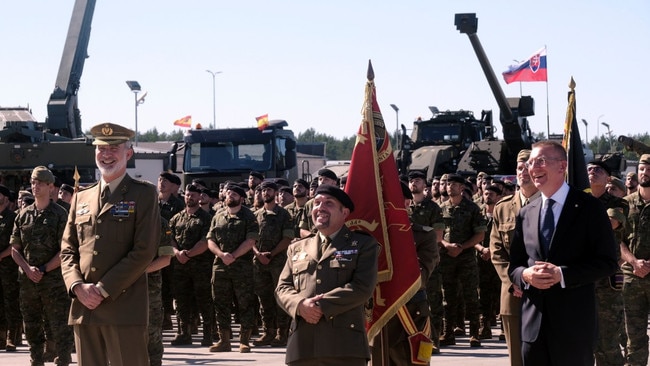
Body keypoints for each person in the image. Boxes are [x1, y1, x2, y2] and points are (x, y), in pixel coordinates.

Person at [508, 140, 618, 366]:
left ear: (562, 166)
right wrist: (526, 276)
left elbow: (608, 262)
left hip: (573, 329)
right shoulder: (526, 213)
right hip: (533, 330)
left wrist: (562, 274)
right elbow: (515, 267)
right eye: (530, 163)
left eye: (541, 161)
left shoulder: (589, 208)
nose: (533, 168)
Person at [60, 122, 161, 366]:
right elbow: (67, 249)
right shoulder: (81, 197)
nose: (106, 154)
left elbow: (144, 251)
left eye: (113, 148)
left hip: (123, 308)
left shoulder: (144, 194)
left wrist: (102, 289)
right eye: (101, 148)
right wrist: (77, 286)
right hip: (84, 309)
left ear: (128, 153)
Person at [275, 184, 379, 366]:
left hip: (345, 346)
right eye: (316, 203)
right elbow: (282, 288)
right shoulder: (297, 247)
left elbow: (362, 287)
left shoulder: (362, 244)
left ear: (345, 213)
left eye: (329, 203)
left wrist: (319, 306)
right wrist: (300, 305)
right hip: (302, 345)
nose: (320, 208)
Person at [11, 167, 74, 366]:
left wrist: (44, 269)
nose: (35, 186)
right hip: (28, 283)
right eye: (32, 182)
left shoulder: (60, 214)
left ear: (50, 186)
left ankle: (63, 359)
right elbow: (15, 249)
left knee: (59, 326)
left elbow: (65, 250)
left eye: (39, 183)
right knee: (31, 325)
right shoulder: (23, 215)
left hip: (53, 282)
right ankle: (36, 360)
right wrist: (28, 269)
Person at [490, 149, 539, 366]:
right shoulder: (502, 208)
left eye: (528, 167)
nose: (523, 173)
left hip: (543, 289)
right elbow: (497, 250)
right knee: (516, 357)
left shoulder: (551, 204)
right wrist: (514, 281)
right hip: (512, 292)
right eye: (520, 168)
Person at [207, 184, 259, 353]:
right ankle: (224, 340)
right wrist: (222, 255)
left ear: (241, 198)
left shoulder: (248, 216)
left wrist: (233, 256)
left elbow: (251, 241)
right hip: (220, 266)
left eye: (234, 194)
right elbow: (210, 240)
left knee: (244, 303)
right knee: (220, 303)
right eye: (228, 193)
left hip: (242, 268)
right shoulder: (218, 215)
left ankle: (244, 341)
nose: (230, 196)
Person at [587, 160, 629, 366]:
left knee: (607, 343)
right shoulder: (577, 201)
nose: (592, 172)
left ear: (607, 178)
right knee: (582, 343)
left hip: (605, 283)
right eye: (589, 169)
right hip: (581, 280)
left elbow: (610, 223)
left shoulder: (618, 203)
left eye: (598, 170)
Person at [438, 174, 486, 347]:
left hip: (466, 259)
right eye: (448, 184)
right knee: (448, 297)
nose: (450, 187)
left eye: (455, 184)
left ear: (462, 188)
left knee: (471, 295)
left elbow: (480, 234)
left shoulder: (472, 208)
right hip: (447, 257)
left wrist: (462, 247)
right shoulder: (440, 208)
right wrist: (446, 245)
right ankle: (448, 333)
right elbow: (437, 234)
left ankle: (474, 334)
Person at [168, 184, 214, 347]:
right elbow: (170, 238)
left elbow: (205, 241)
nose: (190, 198)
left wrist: (188, 254)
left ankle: (208, 333)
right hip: (180, 267)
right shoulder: (176, 218)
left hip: (201, 267)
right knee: (181, 301)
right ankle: (183, 333)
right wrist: (177, 253)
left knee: (204, 300)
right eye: (188, 195)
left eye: (194, 195)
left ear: (199, 197)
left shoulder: (206, 218)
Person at [252, 181, 294, 347]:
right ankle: (267, 332)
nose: (265, 193)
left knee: (280, 298)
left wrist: (271, 254)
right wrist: (257, 253)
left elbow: (288, 238)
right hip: (259, 263)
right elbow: (250, 238)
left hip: (278, 263)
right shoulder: (255, 215)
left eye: (269, 190)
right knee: (264, 299)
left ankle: (281, 333)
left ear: (275, 193)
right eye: (263, 190)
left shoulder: (284, 215)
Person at [407, 171, 445, 352]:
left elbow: (438, 235)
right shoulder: (403, 208)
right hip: (407, 263)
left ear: (425, 185)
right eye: (411, 181)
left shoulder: (433, 207)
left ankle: (434, 340)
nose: (414, 184)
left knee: (433, 301)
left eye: (418, 181)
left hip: (427, 261)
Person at [620, 154, 650, 366]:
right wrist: (634, 262)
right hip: (632, 278)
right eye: (641, 169)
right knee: (635, 336)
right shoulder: (624, 204)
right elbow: (616, 239)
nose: (644, 173)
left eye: (649, 169)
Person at [146, 217, 174, 366]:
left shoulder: (160, 222)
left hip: (149, 286)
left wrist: (136, 272)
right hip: (120, 285)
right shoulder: (121, 216)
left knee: (152, 330)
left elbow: (165, 258)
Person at [476, 184, 502, 340]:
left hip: (499, 261)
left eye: (492, 194)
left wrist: (494, 251)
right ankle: (484, 326)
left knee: (501, 295)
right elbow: (470, 234)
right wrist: (482, 249)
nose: (488, 196)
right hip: (482, 261)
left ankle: (504, 329)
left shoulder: (504, 214)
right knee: (483, 295)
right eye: (486, 193)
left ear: (498, 197)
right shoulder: (478, 215)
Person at [0, 184, 20, 352]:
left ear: (6, 198)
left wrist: (1, 256)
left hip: (9, 269)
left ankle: (11, 338)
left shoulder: (13, 218)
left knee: (10, 304)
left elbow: (15, 244)